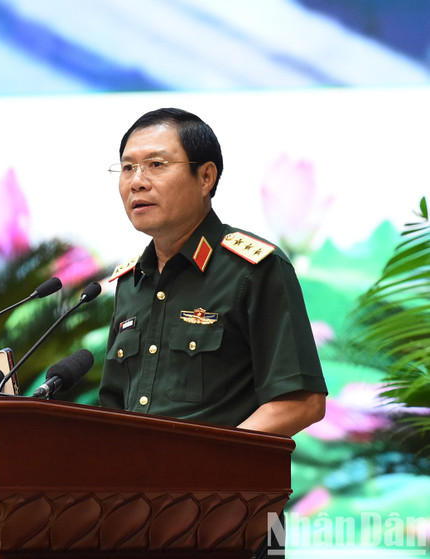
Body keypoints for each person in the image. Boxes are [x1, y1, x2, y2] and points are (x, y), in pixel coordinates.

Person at [98, 107, 327, 558]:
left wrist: (207, 468)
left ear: (206, 177)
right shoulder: (128, 284)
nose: (137, 181)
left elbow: (302, 401)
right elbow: (113, 412)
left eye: (156, 165)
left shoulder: (257, 268)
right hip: (137, 522)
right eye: (127, 168)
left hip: (236, 517)